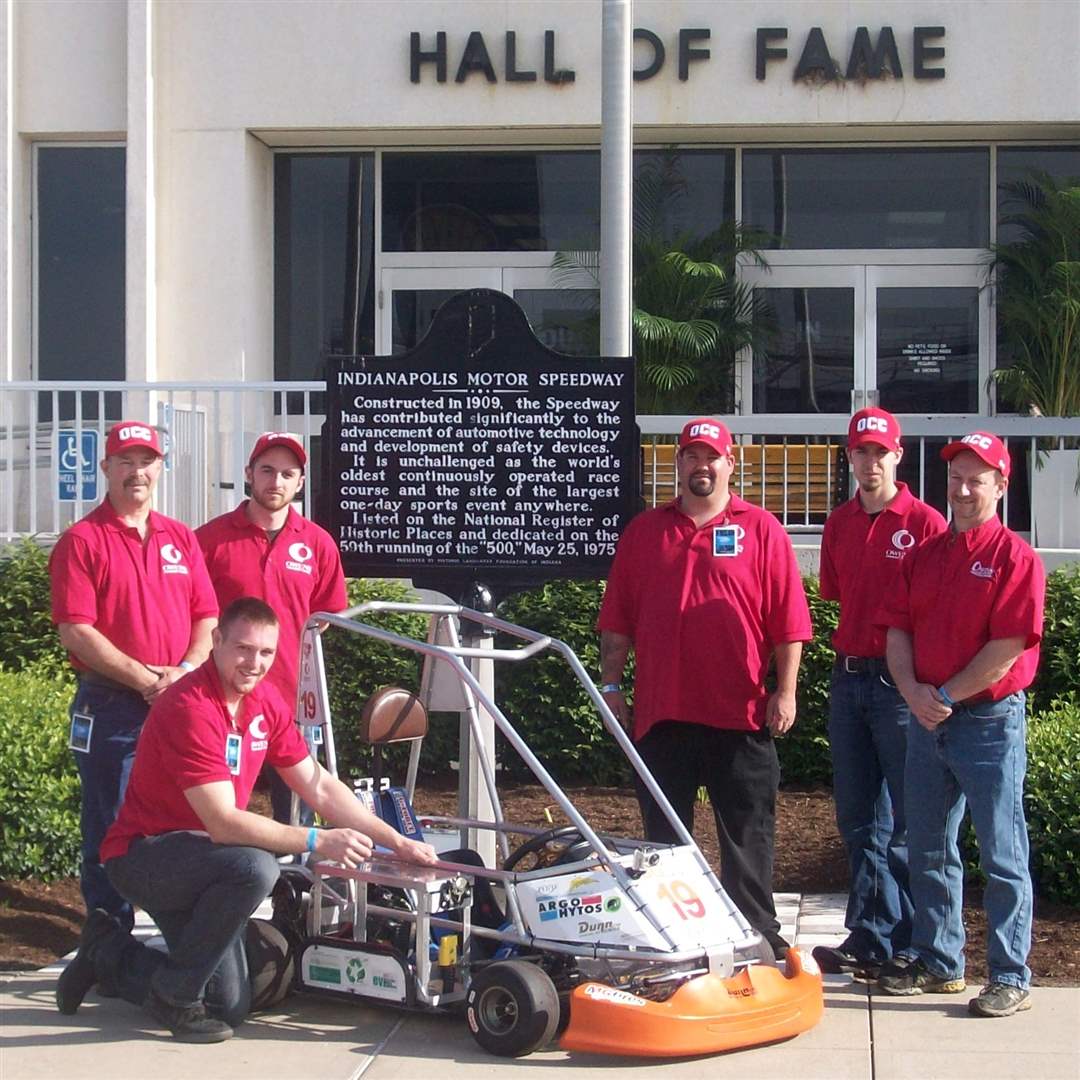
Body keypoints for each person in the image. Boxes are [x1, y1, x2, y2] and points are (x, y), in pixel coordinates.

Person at [55, 596, 438, 1043]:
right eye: (243, 648)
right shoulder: (190, 707)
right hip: (146, 857)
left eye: (266, 652)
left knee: (227, 1005)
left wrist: (397, 841)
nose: (254, 663)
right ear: (216, 640)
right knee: (255, 867)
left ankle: (107, 952)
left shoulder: (264, 702)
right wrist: (316, 839)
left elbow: (317, 784)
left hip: (205, 862)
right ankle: (174, 996)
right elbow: (223, 822)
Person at [597, 417, 812, 959]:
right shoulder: (645, 532)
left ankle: (757, 938)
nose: (701, 465)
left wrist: (785, 691)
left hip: (740, 716)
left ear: (729, 464)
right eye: (691, 456)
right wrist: (611, 685)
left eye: (711, 457)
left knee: (748, 836)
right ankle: (675, 939)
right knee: (665, 844)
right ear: (678, 464)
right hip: (662, 716)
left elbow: (788, 622)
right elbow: (617, 621)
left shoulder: (761, 529)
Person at [876, 431, 1045, 1018]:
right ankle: (940, 961)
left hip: (988, 722)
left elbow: (1007, 647)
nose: (964, 490)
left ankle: (1010, 975)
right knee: (927, 848)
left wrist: (943, 695)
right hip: (928, 721)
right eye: (955, 479)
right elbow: (897, 631)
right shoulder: (924, 556)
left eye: (977, 480)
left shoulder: (1016, 559)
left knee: (1002, 853)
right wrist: (912, 692)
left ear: (1001, 486)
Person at [48, 421, 218, 930]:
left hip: (177, 700)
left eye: (146, 461)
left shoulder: (180, 537)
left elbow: (207, 616)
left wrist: (184, 671)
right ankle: (109, 938)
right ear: (106, 467)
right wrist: (146, 680)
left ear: (160, 468)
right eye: (125, 461)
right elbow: (76, 631)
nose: (136, 472)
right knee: (112, 824)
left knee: (183, 816)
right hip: (111, 706)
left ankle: (175, 930)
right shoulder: (82, 541)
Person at [812, 408, 947, 982]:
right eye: (861, 452)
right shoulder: (840, 523)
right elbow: (836, 593)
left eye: (880, 452)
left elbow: (939, 609)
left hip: (899, 686)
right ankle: (870, 935)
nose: (870, 462)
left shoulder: (924, 523)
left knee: (911, 818)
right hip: (849, 678)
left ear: (898, 455)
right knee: (859, 816)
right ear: (850, 457)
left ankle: (916, 941)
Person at [196, 431, 347, 825]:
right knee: (220, 810)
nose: (275, 482)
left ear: (300, 482)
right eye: (266, 470)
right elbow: (192, 613)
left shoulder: (318, 544)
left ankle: (294, 867)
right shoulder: (208, 540)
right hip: (220, 698)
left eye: (287, 474)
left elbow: (327, 616)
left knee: (297, 813)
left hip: (293, 700)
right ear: (249, 473)